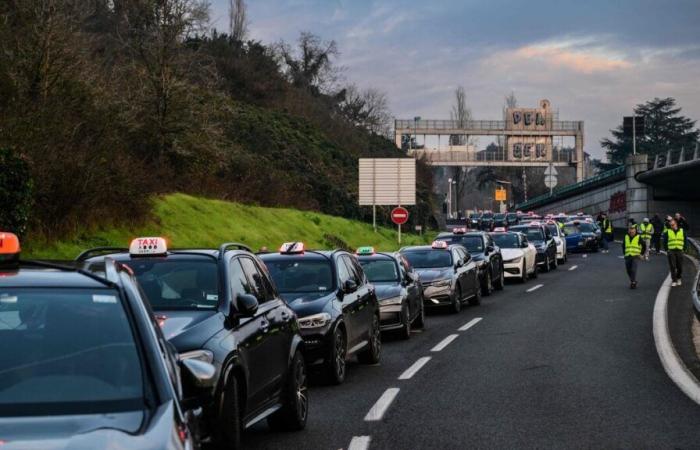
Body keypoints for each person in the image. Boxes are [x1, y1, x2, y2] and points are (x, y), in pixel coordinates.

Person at [664, 219, 687, 287]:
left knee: (679, 266)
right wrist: (667, 250)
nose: (672, 226)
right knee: (672, 266)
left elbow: (685, 240)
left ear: (676, 224)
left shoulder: (682, 231)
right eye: (671, 225)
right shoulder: (668, 232)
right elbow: (664, 242)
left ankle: (679, 278)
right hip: (671, 251)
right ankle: (674, 280)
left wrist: (684, 249)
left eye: (673, 224)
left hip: (679, 250)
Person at [622, 225, 644, 289]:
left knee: (633, 269)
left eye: (633, 229)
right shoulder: (626, 236)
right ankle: (633, 280)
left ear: (635, 230)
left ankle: (633, 283)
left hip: (635, 255)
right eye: (630, 229)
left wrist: (641, 254)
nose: (631, 231)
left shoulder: (638, 237)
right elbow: (623, 246)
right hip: (627, 255)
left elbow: (644, 245)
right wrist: (624, 253)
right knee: (628, 270)